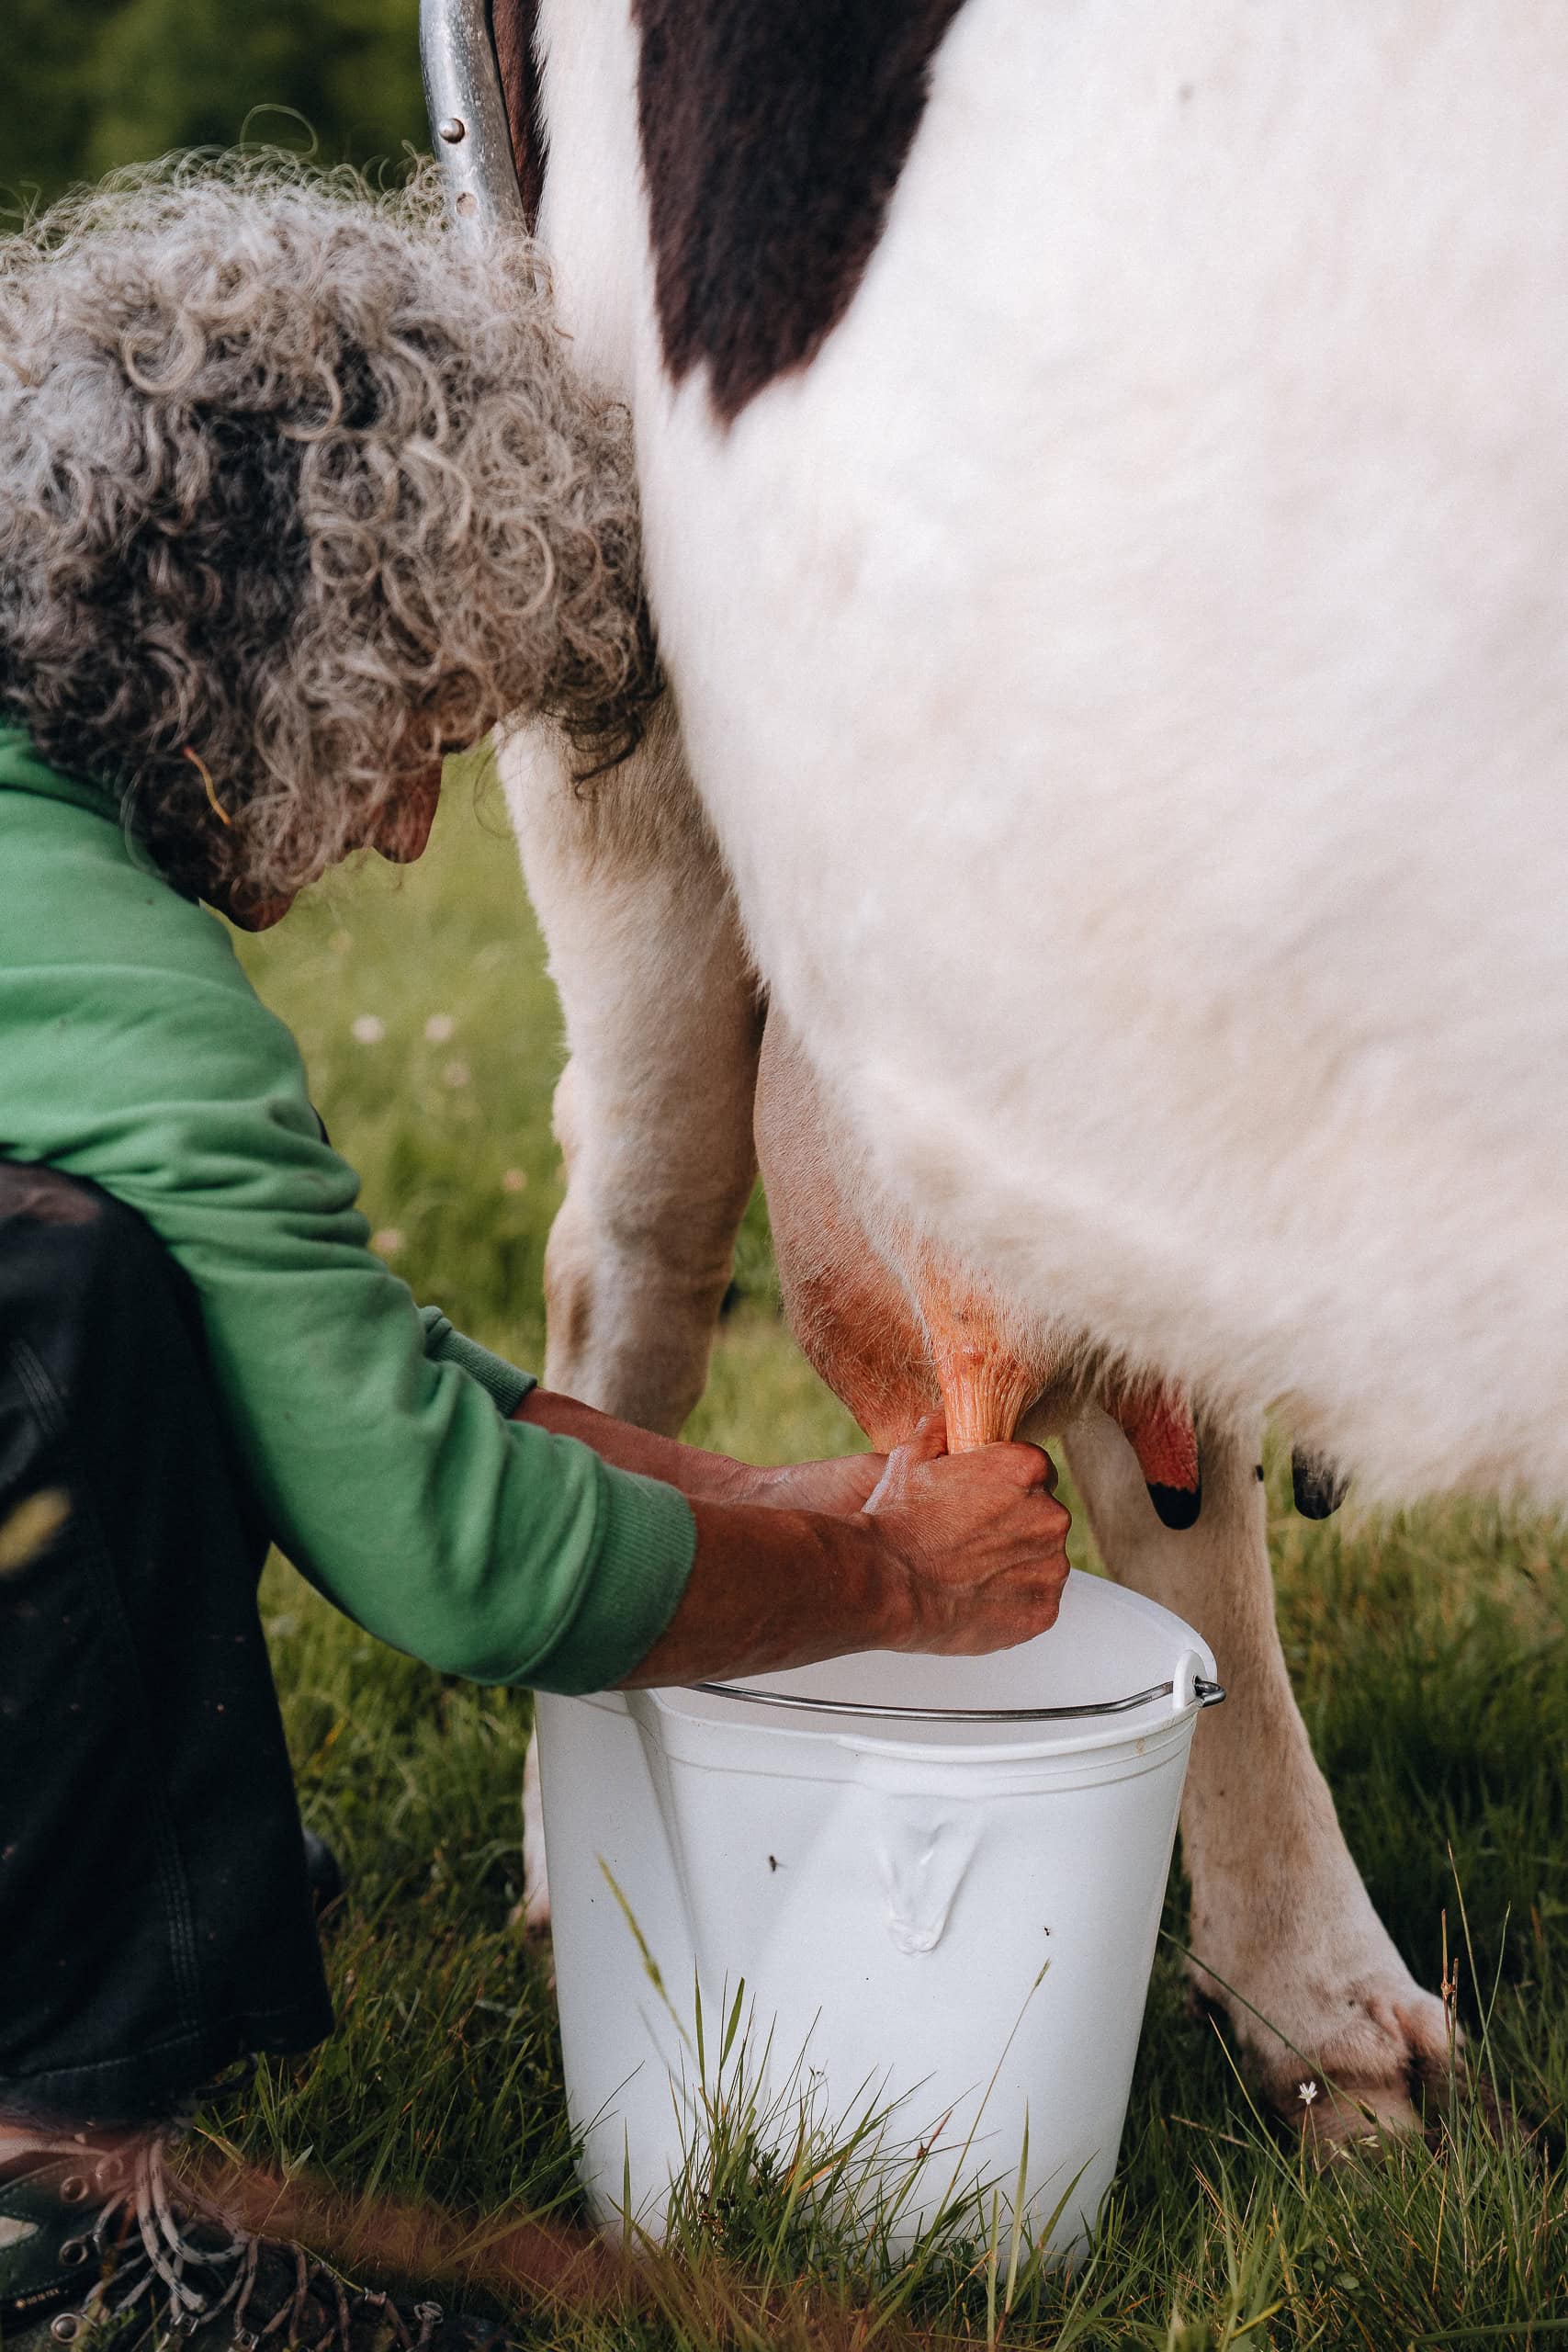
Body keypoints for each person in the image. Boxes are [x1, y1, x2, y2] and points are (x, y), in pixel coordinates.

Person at [0, 160, 1071, 2349]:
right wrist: (891, 1585)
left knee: (117, 1292)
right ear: (256, 650)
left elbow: (335, 1365)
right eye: (405, 728)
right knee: (58, 1308)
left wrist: (799, 1498)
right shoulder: (119, 986)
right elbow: (452, 1553)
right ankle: (52, 2228)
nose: (407, 820)